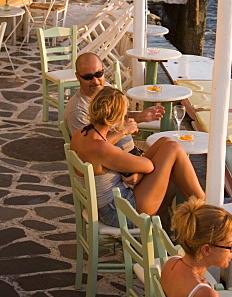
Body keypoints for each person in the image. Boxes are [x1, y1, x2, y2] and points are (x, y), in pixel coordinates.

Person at [70, 86, 204, 227]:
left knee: (166, 142)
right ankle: (203, 204)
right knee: (173, 148)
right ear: (117, 117)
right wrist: (139, 173)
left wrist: (138, 173)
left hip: (112, 203)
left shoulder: (81, 133)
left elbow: (98, 154)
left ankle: (195, 205)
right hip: (119, 212)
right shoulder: (102, 148)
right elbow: (148, 166)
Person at [64, 52, 163, 148]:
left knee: (168, 145)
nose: (95, 81)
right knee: (170, 151)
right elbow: (90, 149)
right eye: (88, 77)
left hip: (128, 150)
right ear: (78, 77)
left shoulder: (105, 89)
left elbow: (114, 116)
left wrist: (139, 116)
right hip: (115, 161)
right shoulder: (77, 111)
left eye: (99, 74)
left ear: (103, 70)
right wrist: (122, 132)